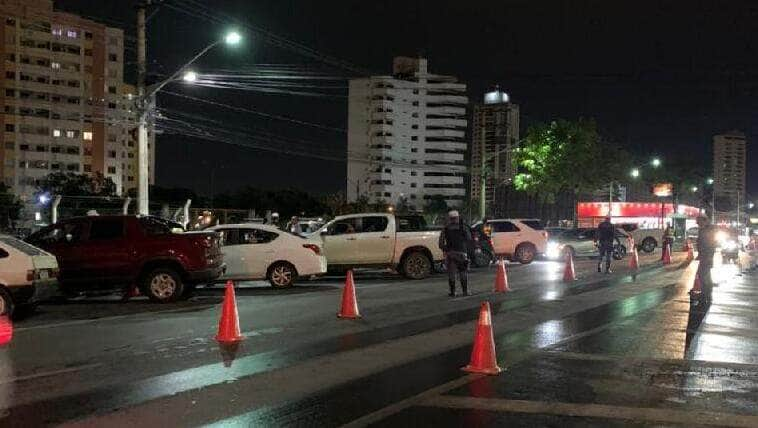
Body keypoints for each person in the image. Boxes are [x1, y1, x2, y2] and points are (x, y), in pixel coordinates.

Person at [439, 210, 473, 297]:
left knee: (451, 273)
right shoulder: (464, 227)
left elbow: (440, 243)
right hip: (462, 253)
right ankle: (465, 292)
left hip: (450, 254)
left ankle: (453, 292)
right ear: (458, 217)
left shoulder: (446, 228)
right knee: (463, 272)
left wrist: (446, 249)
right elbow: (469, 239)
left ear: (449, 219)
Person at [695, 215, 716, 303]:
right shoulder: (704, 230)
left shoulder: (708, 230)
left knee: (702, 274)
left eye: (698, 221)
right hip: (704, 256)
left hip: (706, 256)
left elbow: (710, 245)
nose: (697, 223)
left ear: (704, 221)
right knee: (705, 274)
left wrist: (708, 256)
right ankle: (706, 293)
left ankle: (706, 294)